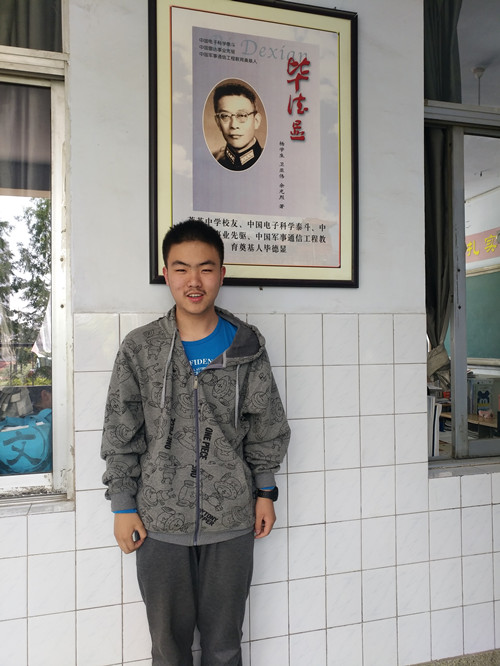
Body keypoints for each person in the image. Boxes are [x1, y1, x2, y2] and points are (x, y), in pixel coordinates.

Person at [101, 219, 290, 665]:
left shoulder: (245, 346)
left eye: (205, 269)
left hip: (233, 518)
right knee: (169, 647)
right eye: (181, 268)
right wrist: (123, 505)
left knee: (224, 645)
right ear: (165, 273)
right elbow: (121, 429)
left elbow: (265, 423)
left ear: (221, 274)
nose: (194, 281)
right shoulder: (141, 348)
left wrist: (266, 492)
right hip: (158, 519)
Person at [211, 82, 263, 171]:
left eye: (242, 115)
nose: (234, 125)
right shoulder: (212, 160)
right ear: (218, 122)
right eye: (225, 116)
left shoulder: (271, 159)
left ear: (256, 121)